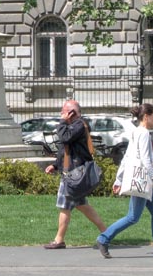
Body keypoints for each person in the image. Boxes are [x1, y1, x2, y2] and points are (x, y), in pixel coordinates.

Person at [95, 103, 153, 259]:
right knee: (132, 217)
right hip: (142, 181)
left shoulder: (135, 132)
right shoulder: (144, 134)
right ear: (146, 117)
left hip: (142, 180)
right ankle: (103, 239)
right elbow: (145, 160)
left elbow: (127, 157)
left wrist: (119, 179)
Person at [42, 99, 107, 249]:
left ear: (71, 112)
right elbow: (65, 150)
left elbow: (65, 137)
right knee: (83, 206)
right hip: (71, 172)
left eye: (63, 111)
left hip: (73, 174)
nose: (61, 114)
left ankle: (59, 240)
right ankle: (106, 233)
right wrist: (55, 165)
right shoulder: (72, 126)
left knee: (65, 205)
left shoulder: (79, 125)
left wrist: (62, 122)